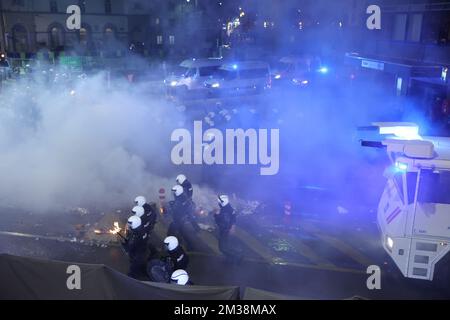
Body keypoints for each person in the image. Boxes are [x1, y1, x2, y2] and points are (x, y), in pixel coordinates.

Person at [214, 195, 242, 264]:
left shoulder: (224, 212)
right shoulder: (229, 207)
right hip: (227, 229)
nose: (218, 203)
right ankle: (232, 257)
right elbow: (233, 216)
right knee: (225, 245)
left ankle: (236, 256)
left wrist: (216, 215)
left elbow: (221, 223)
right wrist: (233, 226)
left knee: (222, 248)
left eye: (219, 202)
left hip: (224, 231)